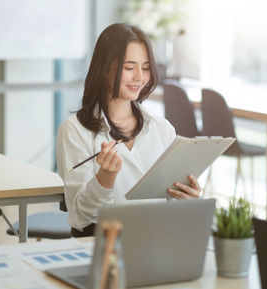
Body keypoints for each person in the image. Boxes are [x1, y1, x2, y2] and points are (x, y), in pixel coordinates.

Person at [56, 23, 201, 237]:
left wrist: (187, 199)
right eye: (129, 67)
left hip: (156, 241)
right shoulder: (74, 129)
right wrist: (104, 180)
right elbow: (80, 216)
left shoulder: (162, 129)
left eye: (145, 67)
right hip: (102, 246)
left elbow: (169, 203)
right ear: (105, 69)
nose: (139, 78)